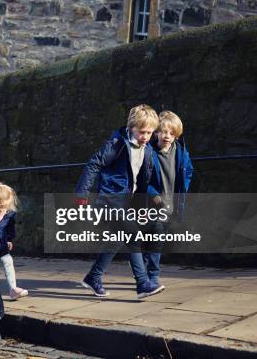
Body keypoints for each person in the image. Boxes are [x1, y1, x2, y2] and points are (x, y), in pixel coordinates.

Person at [75, 104, 163, 299]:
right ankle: (142, 283)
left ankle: (93, 277)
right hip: (109, 199)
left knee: (116, 239)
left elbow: (142, 183)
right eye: (142, 132)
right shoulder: (117, 143)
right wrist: (82, 193)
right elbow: (94, 164)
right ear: (131, 127)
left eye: (149, 133)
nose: (145, 137)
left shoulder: (147, 151)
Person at [145, 111, 194, 290]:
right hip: (152, 204)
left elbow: (188, 170)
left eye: (172, 133)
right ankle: (153, 276)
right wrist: (153, 194)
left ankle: (143, 266)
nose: (167, 136)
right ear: (156, 132)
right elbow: (142, 178)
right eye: (164, 131)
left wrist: (183, 188)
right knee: (156, 238)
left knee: (156, 239)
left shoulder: (180, 152)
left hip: (171, 204)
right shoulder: (149, 152)